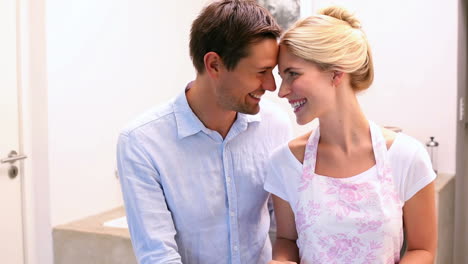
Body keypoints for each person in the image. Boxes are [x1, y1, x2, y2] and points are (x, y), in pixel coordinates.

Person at [116, 1, 292, 263]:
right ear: (214, 65)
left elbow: (283, 226)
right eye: (261, 72)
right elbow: (158, 255)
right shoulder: (141, 142)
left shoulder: (275, 125)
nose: (271, 85)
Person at [264, 6, 437, 264]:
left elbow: (422, 250)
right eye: (282, 76)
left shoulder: (407, 157)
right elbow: (286, 241)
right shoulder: (285, 162)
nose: (282, 91)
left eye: (293, 74)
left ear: (336, 72)